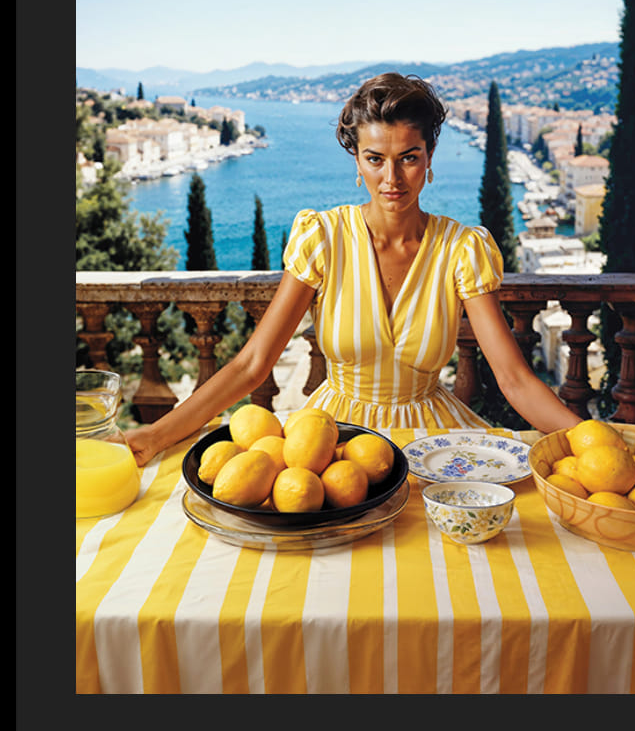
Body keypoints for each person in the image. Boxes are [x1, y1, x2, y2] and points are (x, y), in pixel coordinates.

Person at [126, 73, 582, 467]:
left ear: (429, 156)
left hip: (432, 439)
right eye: (375, 159)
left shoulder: (461, 249)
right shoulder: (322, 239)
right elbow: (251, 365)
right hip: (331, 440)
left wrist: (592, 440)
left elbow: (515, 379)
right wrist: (155, 435)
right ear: (357, 160)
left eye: (409, 157)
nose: (392, 179)